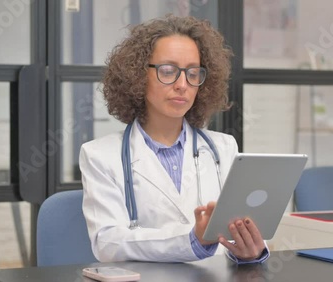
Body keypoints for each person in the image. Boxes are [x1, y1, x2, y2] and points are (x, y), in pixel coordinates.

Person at [79, 15, 269, 264]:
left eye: (192, 73)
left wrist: (251, 251)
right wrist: (191, 240)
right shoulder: (100, 156)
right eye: (168, 71)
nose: (182, 84)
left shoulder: (223, 148)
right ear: (138, 75)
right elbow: (108, 242)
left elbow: (249, 231)